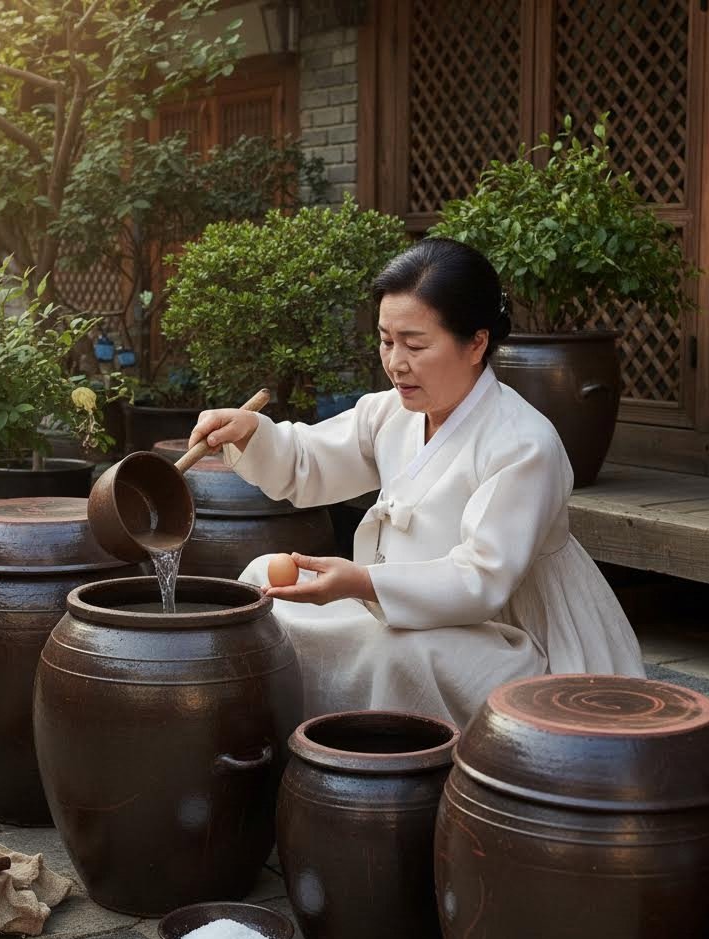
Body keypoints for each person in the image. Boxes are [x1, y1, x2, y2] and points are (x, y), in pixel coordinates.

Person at [186, 237, 645, 727]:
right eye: (386, 340)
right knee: (261, 583)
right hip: (396, 607)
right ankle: (284, 744)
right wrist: (251, 431)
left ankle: (376, 771)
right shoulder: (391, 412)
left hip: (507, 634)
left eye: (415, 344)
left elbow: (480, 579)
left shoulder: (523, 443)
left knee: (391, 654)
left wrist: (361, 582)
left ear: (476, 343)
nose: (395, 362)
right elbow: (309, 460)